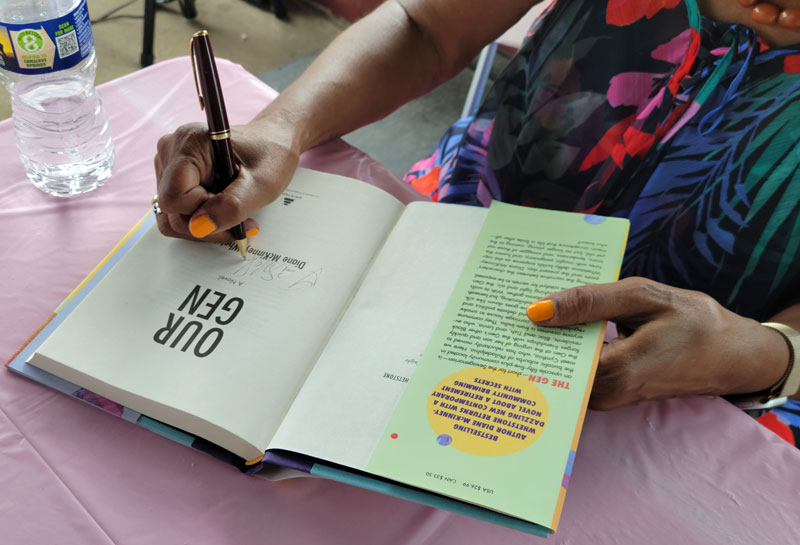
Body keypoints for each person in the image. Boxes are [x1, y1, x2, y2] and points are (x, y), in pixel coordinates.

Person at [152, 0, 800, 440]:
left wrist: (766, 353)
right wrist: (282, 128)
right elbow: (425, 28)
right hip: (449, 232)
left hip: (712, 378)